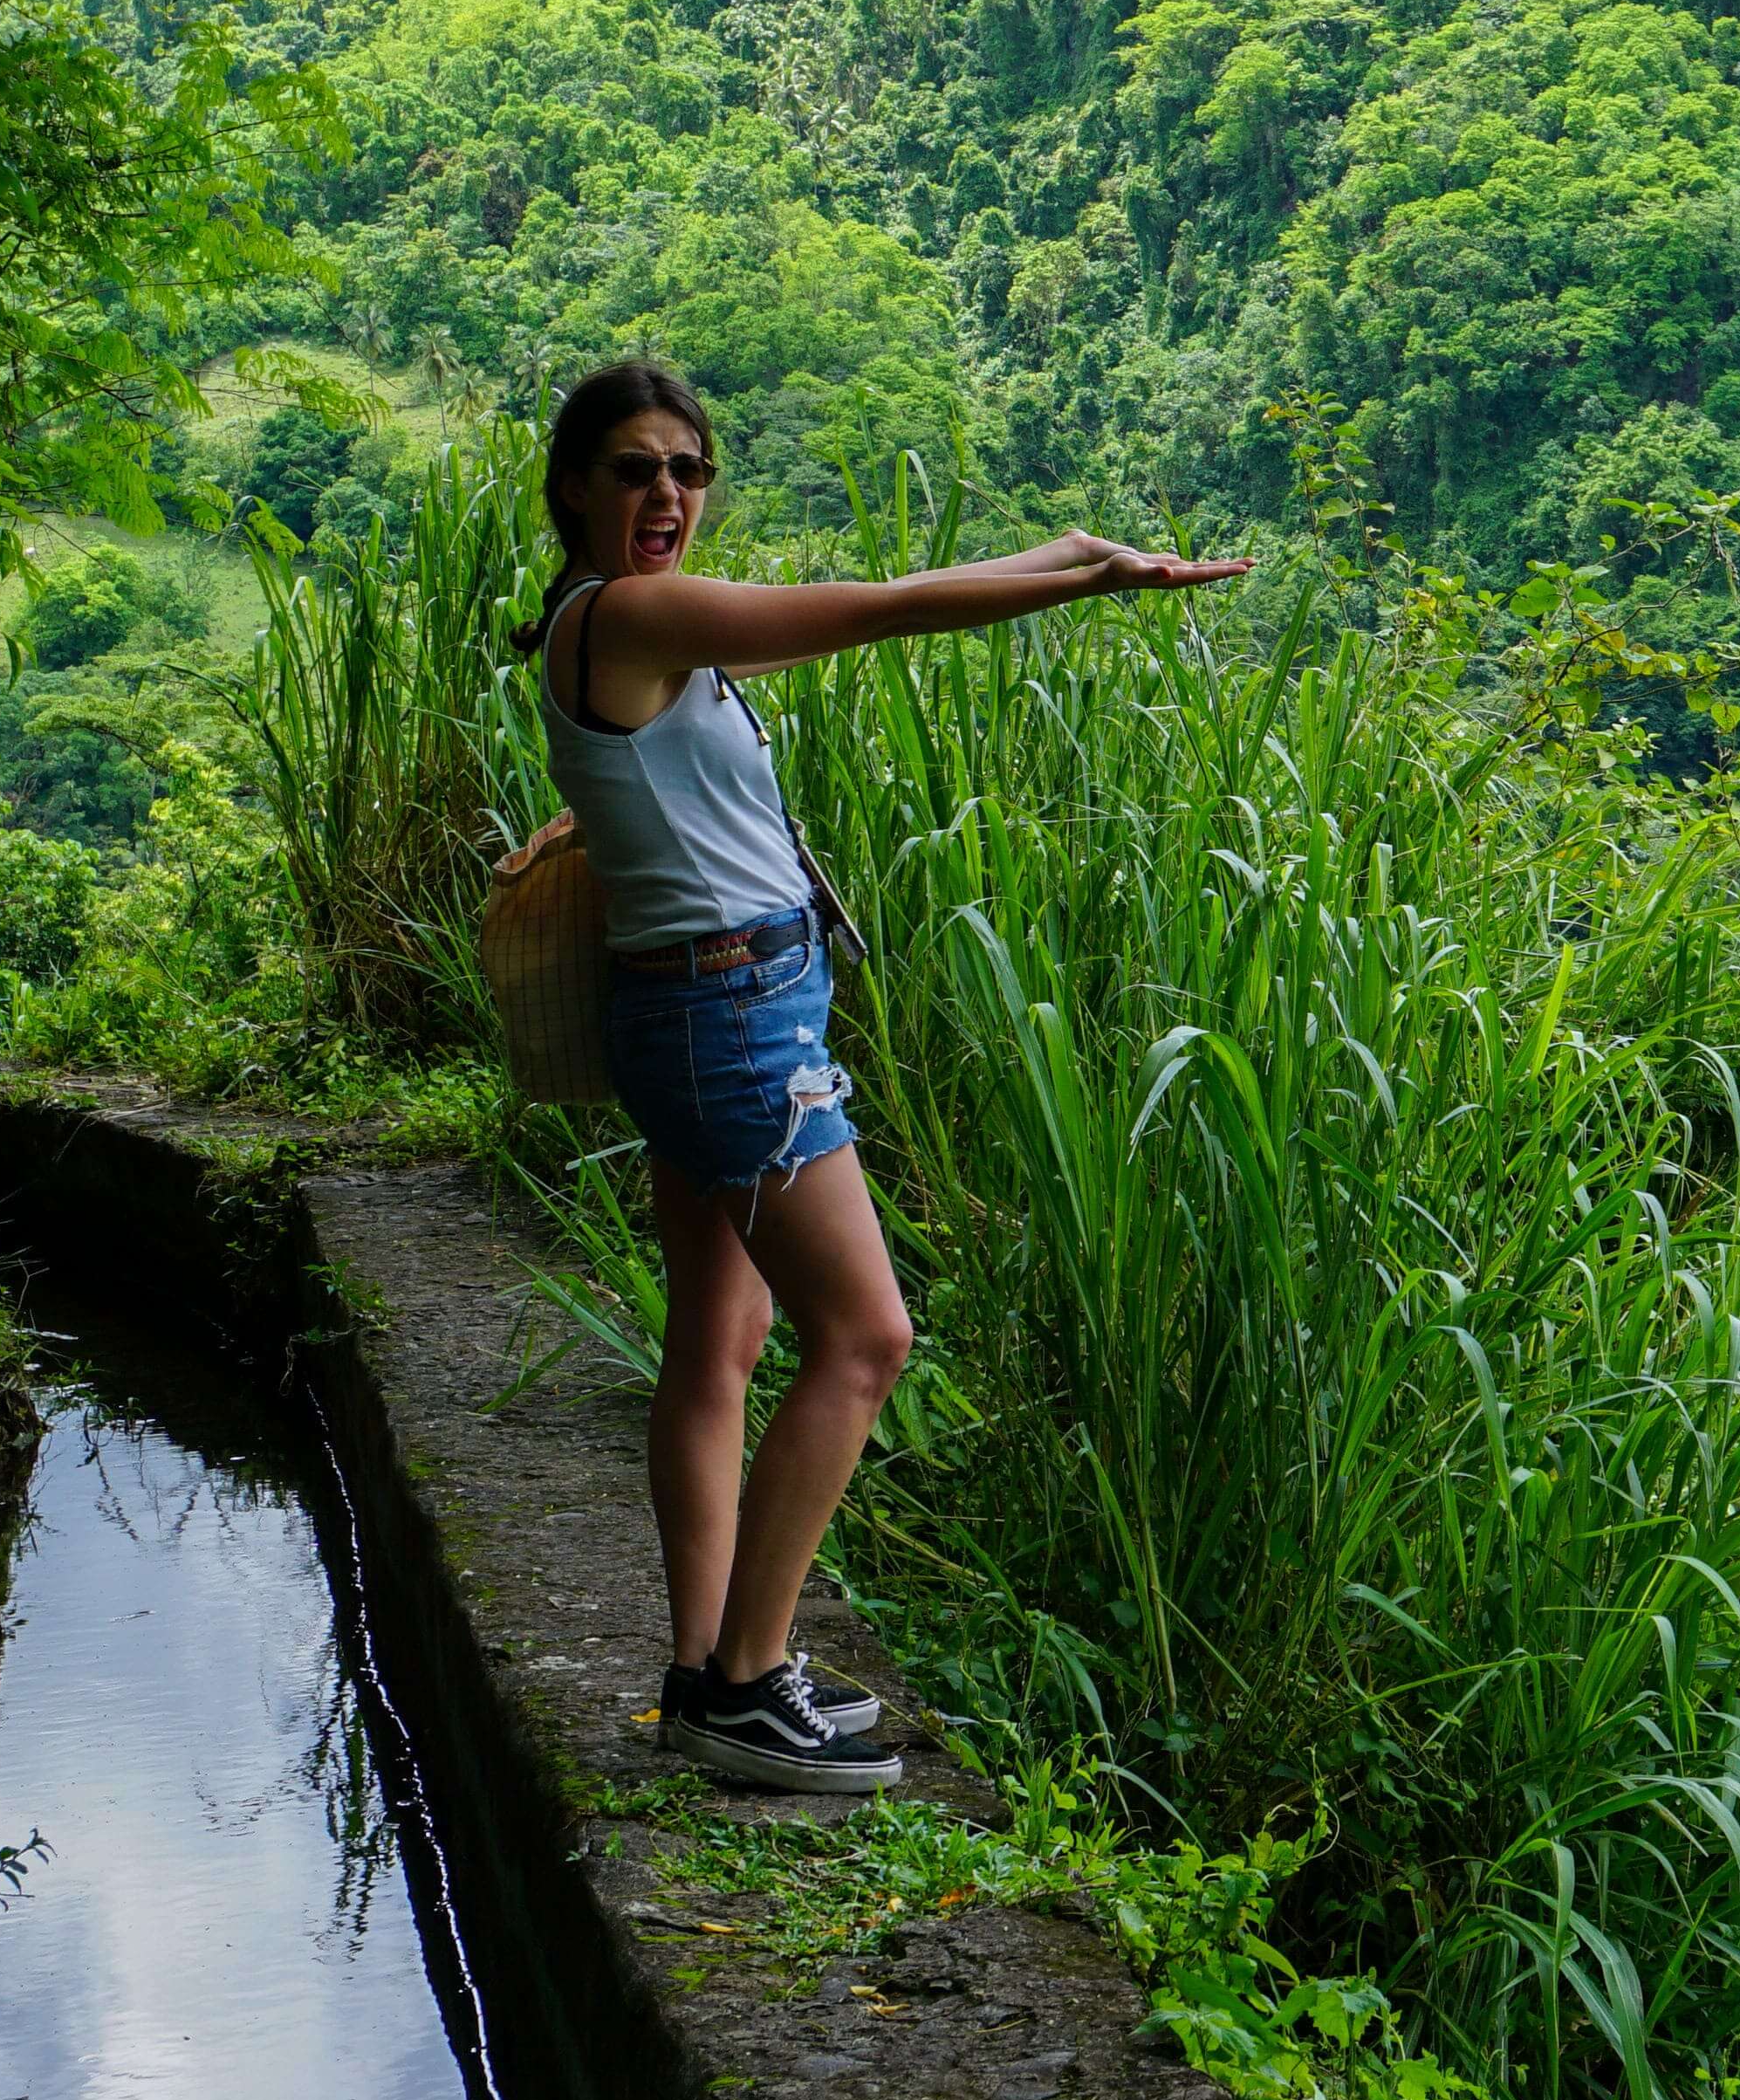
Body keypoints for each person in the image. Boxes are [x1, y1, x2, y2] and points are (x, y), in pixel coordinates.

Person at [526, 360, 1243, 1790]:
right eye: (634, 471)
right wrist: (1088, 587)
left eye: (689, 470)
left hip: (691, 1005)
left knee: (717, 1347)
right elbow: (893, 606)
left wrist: (1085, 553)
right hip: (733, 1022)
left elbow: (844, 634)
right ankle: (744, 1683)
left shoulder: (624, 632)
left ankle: (705, 1672)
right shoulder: (643, 614)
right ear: (574, 492)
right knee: (866, 1339)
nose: (667, 494)